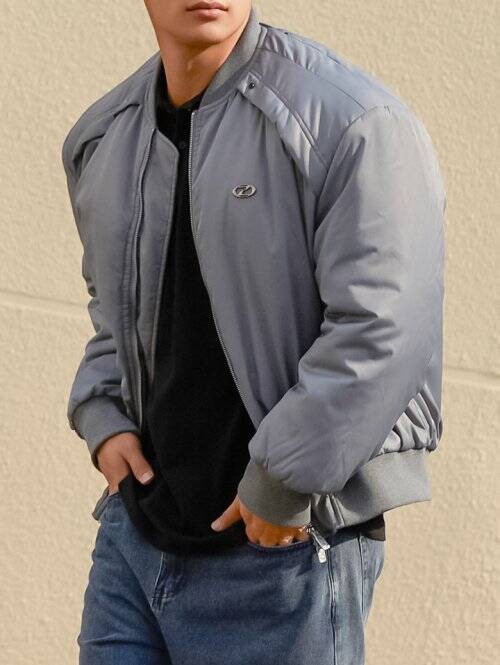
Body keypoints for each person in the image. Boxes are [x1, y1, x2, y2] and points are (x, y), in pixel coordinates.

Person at [62, 2, 446, 663]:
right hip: (136, 543)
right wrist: (102, 409)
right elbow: (115, 304)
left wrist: (282, 483)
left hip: (280, 549)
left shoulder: (354, 123)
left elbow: (383, 327)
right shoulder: (105, 136)